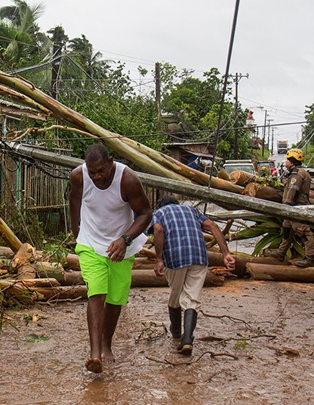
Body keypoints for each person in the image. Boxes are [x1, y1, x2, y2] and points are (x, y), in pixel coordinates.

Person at [69, 144, 152, 373]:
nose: (97, 177)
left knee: (115, 299)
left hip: (121, 245)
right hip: (90, 243)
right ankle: (94, 355)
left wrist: (125, 240)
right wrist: (77, 231)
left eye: (101, 171)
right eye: (92, 172)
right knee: (96, 292)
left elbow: (145, 213)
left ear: (110, 163)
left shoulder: (128, 180)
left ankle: (106, 345)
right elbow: (74, 200)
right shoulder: (79, 176)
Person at [150, 195, 235, 355]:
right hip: (198, 256)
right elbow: (212, 226)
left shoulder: (159, 213)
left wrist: (159, 259)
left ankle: (176, 334)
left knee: (175, 296)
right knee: (191, 299)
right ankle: (187, 338)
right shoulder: (192, 210)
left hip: (175, 257)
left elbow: (158, 229)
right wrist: (226, 254)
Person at [262, 149, 314, 267]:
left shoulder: (297, 174)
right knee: (287, 230)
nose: (285, 162)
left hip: (295, 208)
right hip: (292, 209)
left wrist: (286, 205)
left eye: (287, 160)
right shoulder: (299, 172)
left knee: (303, 232)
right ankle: (281, 253)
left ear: (293, 161)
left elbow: (293, 190)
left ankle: (310, 257)